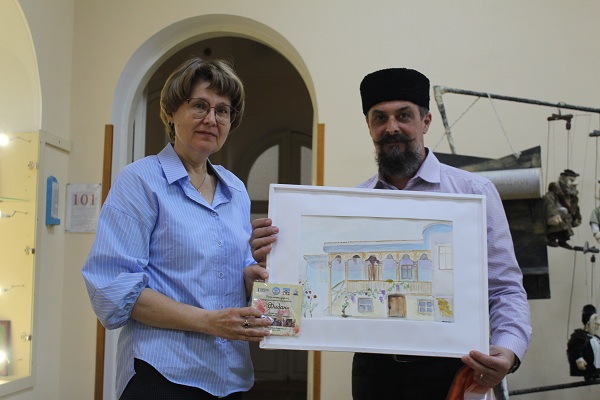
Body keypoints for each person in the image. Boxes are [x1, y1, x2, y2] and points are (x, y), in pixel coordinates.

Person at [250, 67, 532, 399]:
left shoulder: (473, 193)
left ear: (426, 121)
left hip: (453, 368)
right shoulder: (353, 205)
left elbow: (505, 288)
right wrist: (273, 263)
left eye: (404, 115)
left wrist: (508, 349)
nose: (391, 127)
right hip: (374, 373)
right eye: (379, 118)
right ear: (369, 126)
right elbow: (297, 286)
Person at [82, 57, 272, 400]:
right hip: (163, 376)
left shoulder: (235, 189)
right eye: (199, 106)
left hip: (230, 375)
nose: (211, 119)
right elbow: (114, 287)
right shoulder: (140, 181)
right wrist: (209, 322)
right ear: (172, 112)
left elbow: (232, 270)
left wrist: (250, 277)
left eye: (223, 110)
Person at [544, 168, 582, 249]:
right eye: (571, 180)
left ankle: (562, 240)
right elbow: (550, 205)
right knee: (556, 222)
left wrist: (577, 216)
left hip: (566, 218)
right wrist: (553, 216)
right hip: (557, 217)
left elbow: (575, 208)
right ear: (564, 180)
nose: (573, 184)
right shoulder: (552, 194)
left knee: (565, 226)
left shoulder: (572, 197)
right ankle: (551, 239)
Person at [567, 304, 600, 381]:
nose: (598, 324)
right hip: (587, 366)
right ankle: (589, 375)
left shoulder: (596, 338)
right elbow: (575, 349)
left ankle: (596, 372)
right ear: (588, 323)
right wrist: (579, 359)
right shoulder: (580, 336)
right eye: (594, 321)